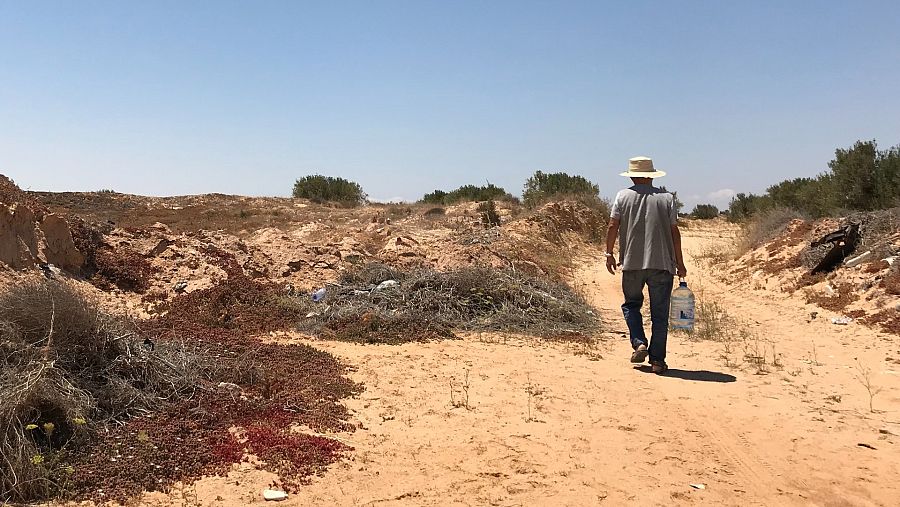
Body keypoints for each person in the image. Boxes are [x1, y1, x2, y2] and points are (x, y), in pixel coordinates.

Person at [605, 156, 687, 374]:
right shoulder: (666, 198)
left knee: (631, 305)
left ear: (632, 176)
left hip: (632, 263)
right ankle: (657, 361)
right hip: (662, 264)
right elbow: (674, 232)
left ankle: (639, 342)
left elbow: (613, 225)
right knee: (660, 314)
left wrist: (609, 253)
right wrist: (680, 263)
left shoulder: (622, 196)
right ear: (651, 176)